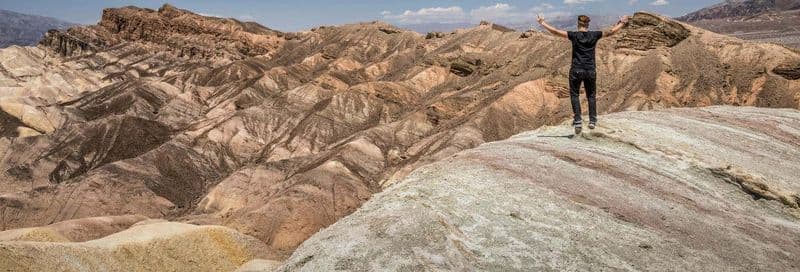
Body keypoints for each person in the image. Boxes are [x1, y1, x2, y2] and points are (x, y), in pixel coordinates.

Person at [537, 14, 629, 134]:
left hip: (576, 70)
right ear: (588, 24)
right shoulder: (594, 35)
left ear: (578, 24)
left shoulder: (574, 35)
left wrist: (542, 23)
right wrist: (622, 23)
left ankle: (578, 121)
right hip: (590, 70)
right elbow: (611, 32)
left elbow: (555, 31)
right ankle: (592, 120)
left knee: (574, 95)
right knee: (591, 95)